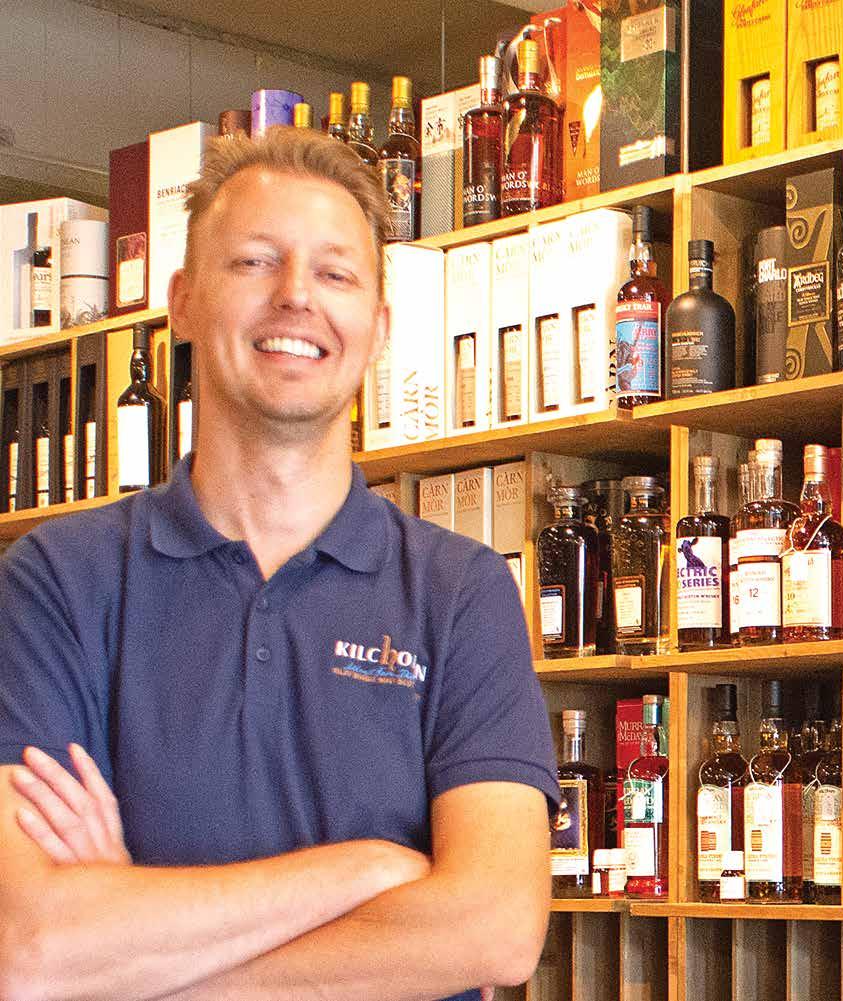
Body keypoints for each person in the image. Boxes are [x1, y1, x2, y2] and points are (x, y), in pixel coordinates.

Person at [0, 127, 559, 1000]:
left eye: (335, 273)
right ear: (182, 303)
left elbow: (495, 928)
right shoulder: (57, 581)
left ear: (377, 328)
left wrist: (132, 958)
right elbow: (28, 945)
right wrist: (369, 868)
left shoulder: (461, 593)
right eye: (255, 262)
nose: (296, 294)